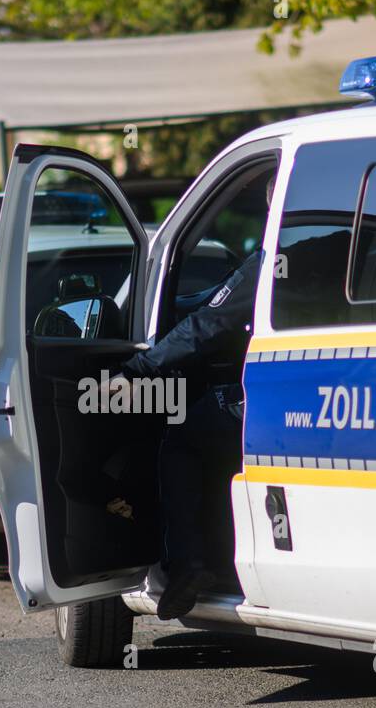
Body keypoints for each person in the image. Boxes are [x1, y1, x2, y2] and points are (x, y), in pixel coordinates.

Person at [103, 172, 274, 620]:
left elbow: (208, 325)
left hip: (270, 403)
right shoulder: (342, 247)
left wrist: (138, 369)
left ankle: (190, 566)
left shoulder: (274, 260)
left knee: (183, 439)